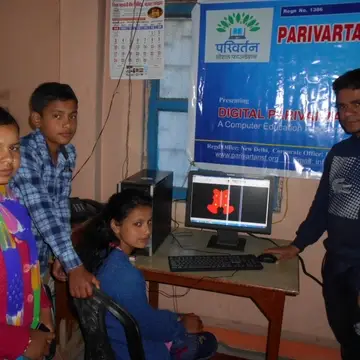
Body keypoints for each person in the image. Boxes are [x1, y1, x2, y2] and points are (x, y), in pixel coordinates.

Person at [265, 68, 360, 359]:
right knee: (348, 338)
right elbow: (322, 206)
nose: (347, 113)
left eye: (356, 104)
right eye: (342, 106)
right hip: (337, 265)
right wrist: (298, 245)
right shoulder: (340, 152)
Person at [76, 189, 218, 360]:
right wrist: (181, 325)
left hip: (113, 343)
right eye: (138, 224)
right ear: (115, 226)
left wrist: (176, 317)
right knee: (207, 342)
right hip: (135, 351)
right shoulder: (126, 276)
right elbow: (147, 326)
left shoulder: (101, 254)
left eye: (149, 222)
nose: (147, 231)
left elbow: (139, 314)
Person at [9, 82, 99, 298]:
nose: (67, 124)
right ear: (37, 119)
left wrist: (62, 254)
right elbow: (41, 210)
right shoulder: (25, 153)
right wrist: (73, 265)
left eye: (72, 116)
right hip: (12, 254)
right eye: (57, 116)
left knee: (38, 319)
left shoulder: (68, 154)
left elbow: (60, 206)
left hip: (38, 257)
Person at [0, 107, 55, 360]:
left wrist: (44, 311)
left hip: (27, 327)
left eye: (13, 148)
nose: (7, 159)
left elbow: (28, 266)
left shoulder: (12, 203)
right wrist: (23, 342)